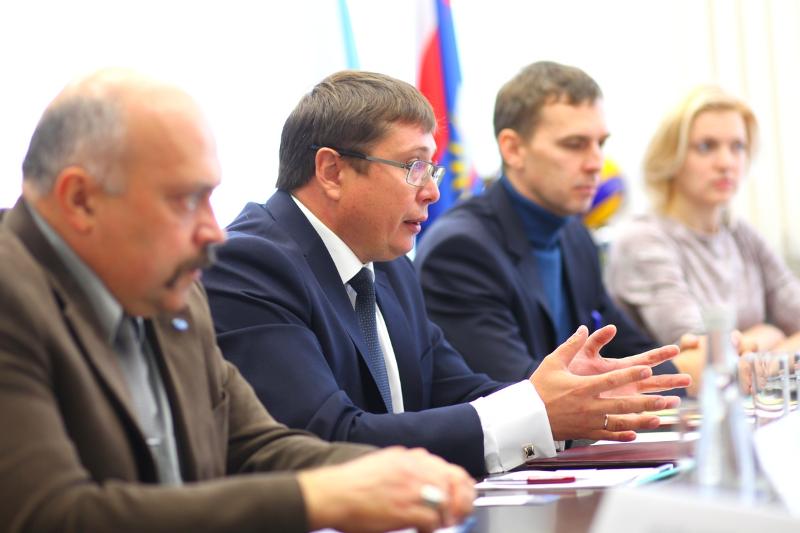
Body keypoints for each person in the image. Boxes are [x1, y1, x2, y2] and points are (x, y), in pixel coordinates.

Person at [0, 68, 477, 533]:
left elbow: (256, 445)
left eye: (210, 198)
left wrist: (399, 478)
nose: (213, 231)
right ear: (81, 200)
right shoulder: (12, 294)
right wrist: (315, 498)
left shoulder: (173, 293)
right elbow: (49, 515)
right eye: (186, 200)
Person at [203, 70, 690, 478]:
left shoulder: (390, 267)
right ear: (332, 171)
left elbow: (457, 391)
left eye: (431, 170)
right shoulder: (249, 264)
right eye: (412, 167)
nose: (432, 193)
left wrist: (571, 396)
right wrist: (537, 409)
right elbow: (326, 438)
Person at [414, 61, 703, 396]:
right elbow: (523, 394)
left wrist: (686, 355)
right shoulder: (460, 250)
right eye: (574, 144)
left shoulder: (575, 235)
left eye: (600, 143)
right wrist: (689, 371)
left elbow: (628, 347)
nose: (596, 163)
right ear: (513, 149)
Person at [605, 85, 800, 352]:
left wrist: (761, 342)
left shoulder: (739, 233)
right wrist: (770, 336)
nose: (726, 163)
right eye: (706, 147)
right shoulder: (642, 240)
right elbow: (705, 355)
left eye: (738, 146)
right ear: (671, 156)